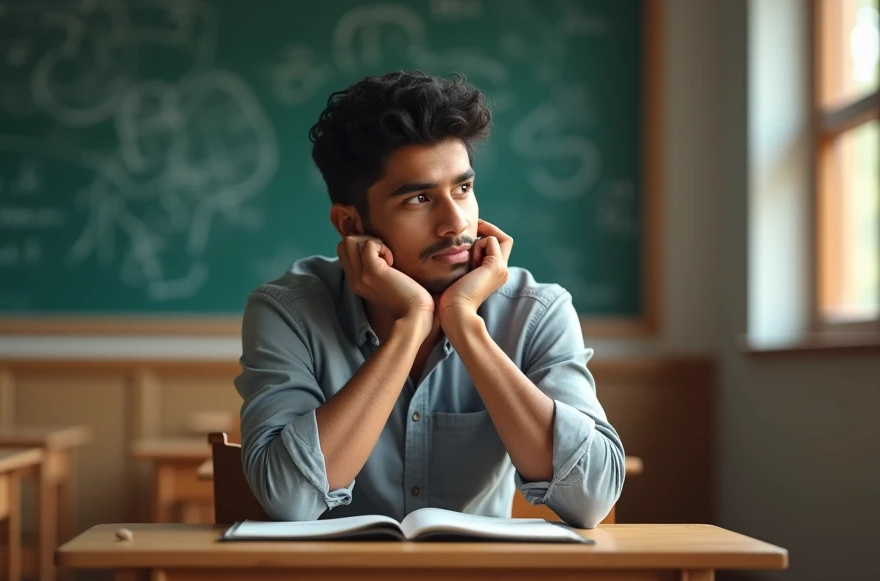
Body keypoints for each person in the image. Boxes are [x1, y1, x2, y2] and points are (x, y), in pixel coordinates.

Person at [234, 71, 624, 529]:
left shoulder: (535, 311)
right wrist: (411, 325)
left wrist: (463, 322)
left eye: (462, 188)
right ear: (349, 225)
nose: (455, 223)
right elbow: (290, 500)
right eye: (419, 198)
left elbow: (592, 498)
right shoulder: (290, 311)